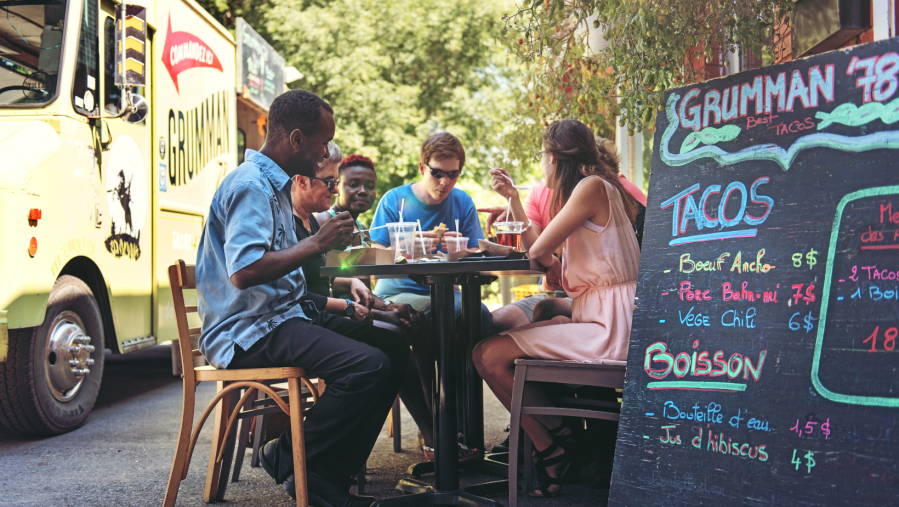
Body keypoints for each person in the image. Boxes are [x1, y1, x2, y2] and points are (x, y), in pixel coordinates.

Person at [196, 89, 408, 507]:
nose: (327, 151)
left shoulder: (276, 188)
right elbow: (244, 272)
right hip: (249, 330)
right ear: (296, 140)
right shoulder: (251, 186)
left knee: (394, 346)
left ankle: (323, 474)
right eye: (323, 141)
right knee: (366, 367)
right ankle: (294, 458)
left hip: (284, 316)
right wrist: (316, 244)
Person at [472, 119, 640, 499]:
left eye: (542, 156)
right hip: (608, 316)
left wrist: (507, 249)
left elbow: (536, 254)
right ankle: (559, 435)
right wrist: (515, 198)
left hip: (610, 328)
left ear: (553, 157)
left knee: (487, 354)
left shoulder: (590, 187)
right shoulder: (598, 188)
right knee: (545, 311)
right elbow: (544, 250)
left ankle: (553, 444)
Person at [292, 148, 449, 461]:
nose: (361, 191)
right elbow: (329, 283)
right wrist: (379, 307)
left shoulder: (358, 228)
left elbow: (350, 283)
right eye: (348, 184)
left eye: (369, 185)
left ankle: (436, 427)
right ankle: (433, 432)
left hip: (335, 311)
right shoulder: (323, 222)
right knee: (395, 340)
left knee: (411, 326)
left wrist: (384, 306)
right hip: (318, 317)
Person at [368, 132, 494, 348]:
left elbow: (477, 254)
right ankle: (442, 382)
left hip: (446, 291)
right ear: (421, 168)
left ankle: (464, 380)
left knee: (479, 313)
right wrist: (407, 248)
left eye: (453, 174)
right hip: (396, 292)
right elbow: (373, 260)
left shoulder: (463, 202)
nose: (445, 182)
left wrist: (459, 252)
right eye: (437, 173)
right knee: (447, 312)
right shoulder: (394, 199)